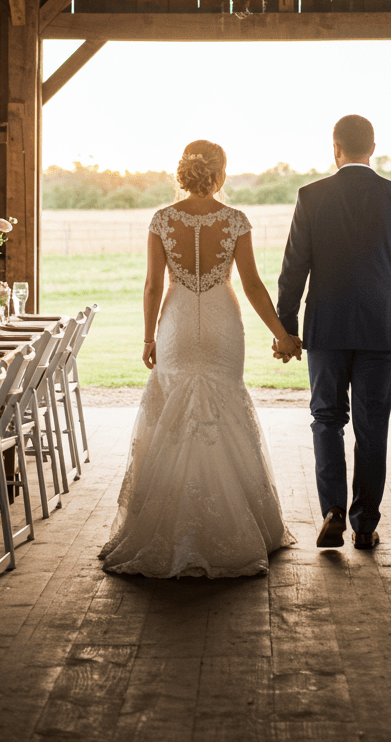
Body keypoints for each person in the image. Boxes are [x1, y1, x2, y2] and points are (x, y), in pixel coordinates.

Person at [99, 139, 301, 579]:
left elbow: (153, 285)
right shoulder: (235, 221)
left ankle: (166, 525)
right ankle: (241, 525)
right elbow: (251, 285)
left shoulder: (161, 220)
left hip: (175, 323)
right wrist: (282, 334)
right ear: (220, 172)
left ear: (183, 172)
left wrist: (149, 337)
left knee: (172, 408)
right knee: (224, 404)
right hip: (222, 322)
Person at [276, 115, 391, 551]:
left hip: (327, 328)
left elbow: (293, 269)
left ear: (335, 148)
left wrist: (287, 329)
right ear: (372, 147)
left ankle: (332, 511)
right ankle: (364, 526)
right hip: (382, 328)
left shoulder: (311, 196)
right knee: (372, 426)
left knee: (326, 419)